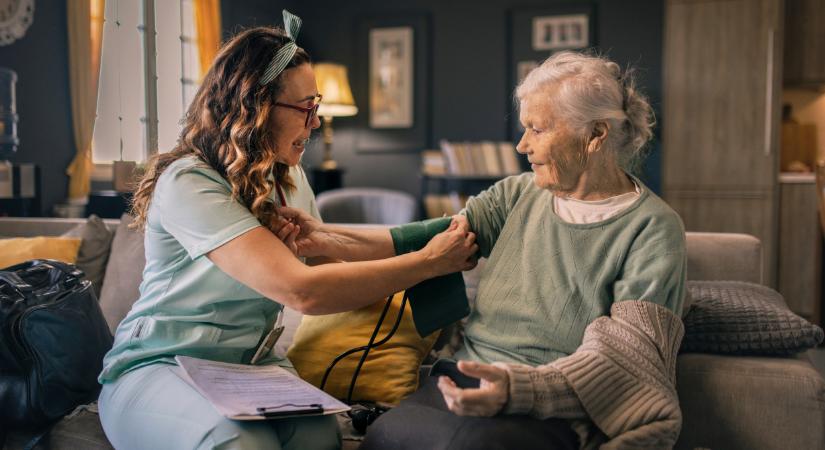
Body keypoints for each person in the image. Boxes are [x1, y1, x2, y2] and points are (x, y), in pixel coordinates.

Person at [96, 11, 477, 450]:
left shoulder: (289, 179)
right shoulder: (189, 182)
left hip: (252, 369)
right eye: (306, 108)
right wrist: (427, 263)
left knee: (319, 441)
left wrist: (428, 246)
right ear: (254, 109)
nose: (315, 123)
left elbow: (325, 260)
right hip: (162, 365)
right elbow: (304, 292)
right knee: (237, 446)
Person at [278, 51, 687, 449]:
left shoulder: (652, 229)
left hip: (557, 404)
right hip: (464, 377)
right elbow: (429, 242)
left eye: (539, 129)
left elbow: (624, 360)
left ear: (595, 135)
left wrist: (516, 389)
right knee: (387, 437)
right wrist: (328, 237)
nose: (522, 145)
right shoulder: (517, 194)